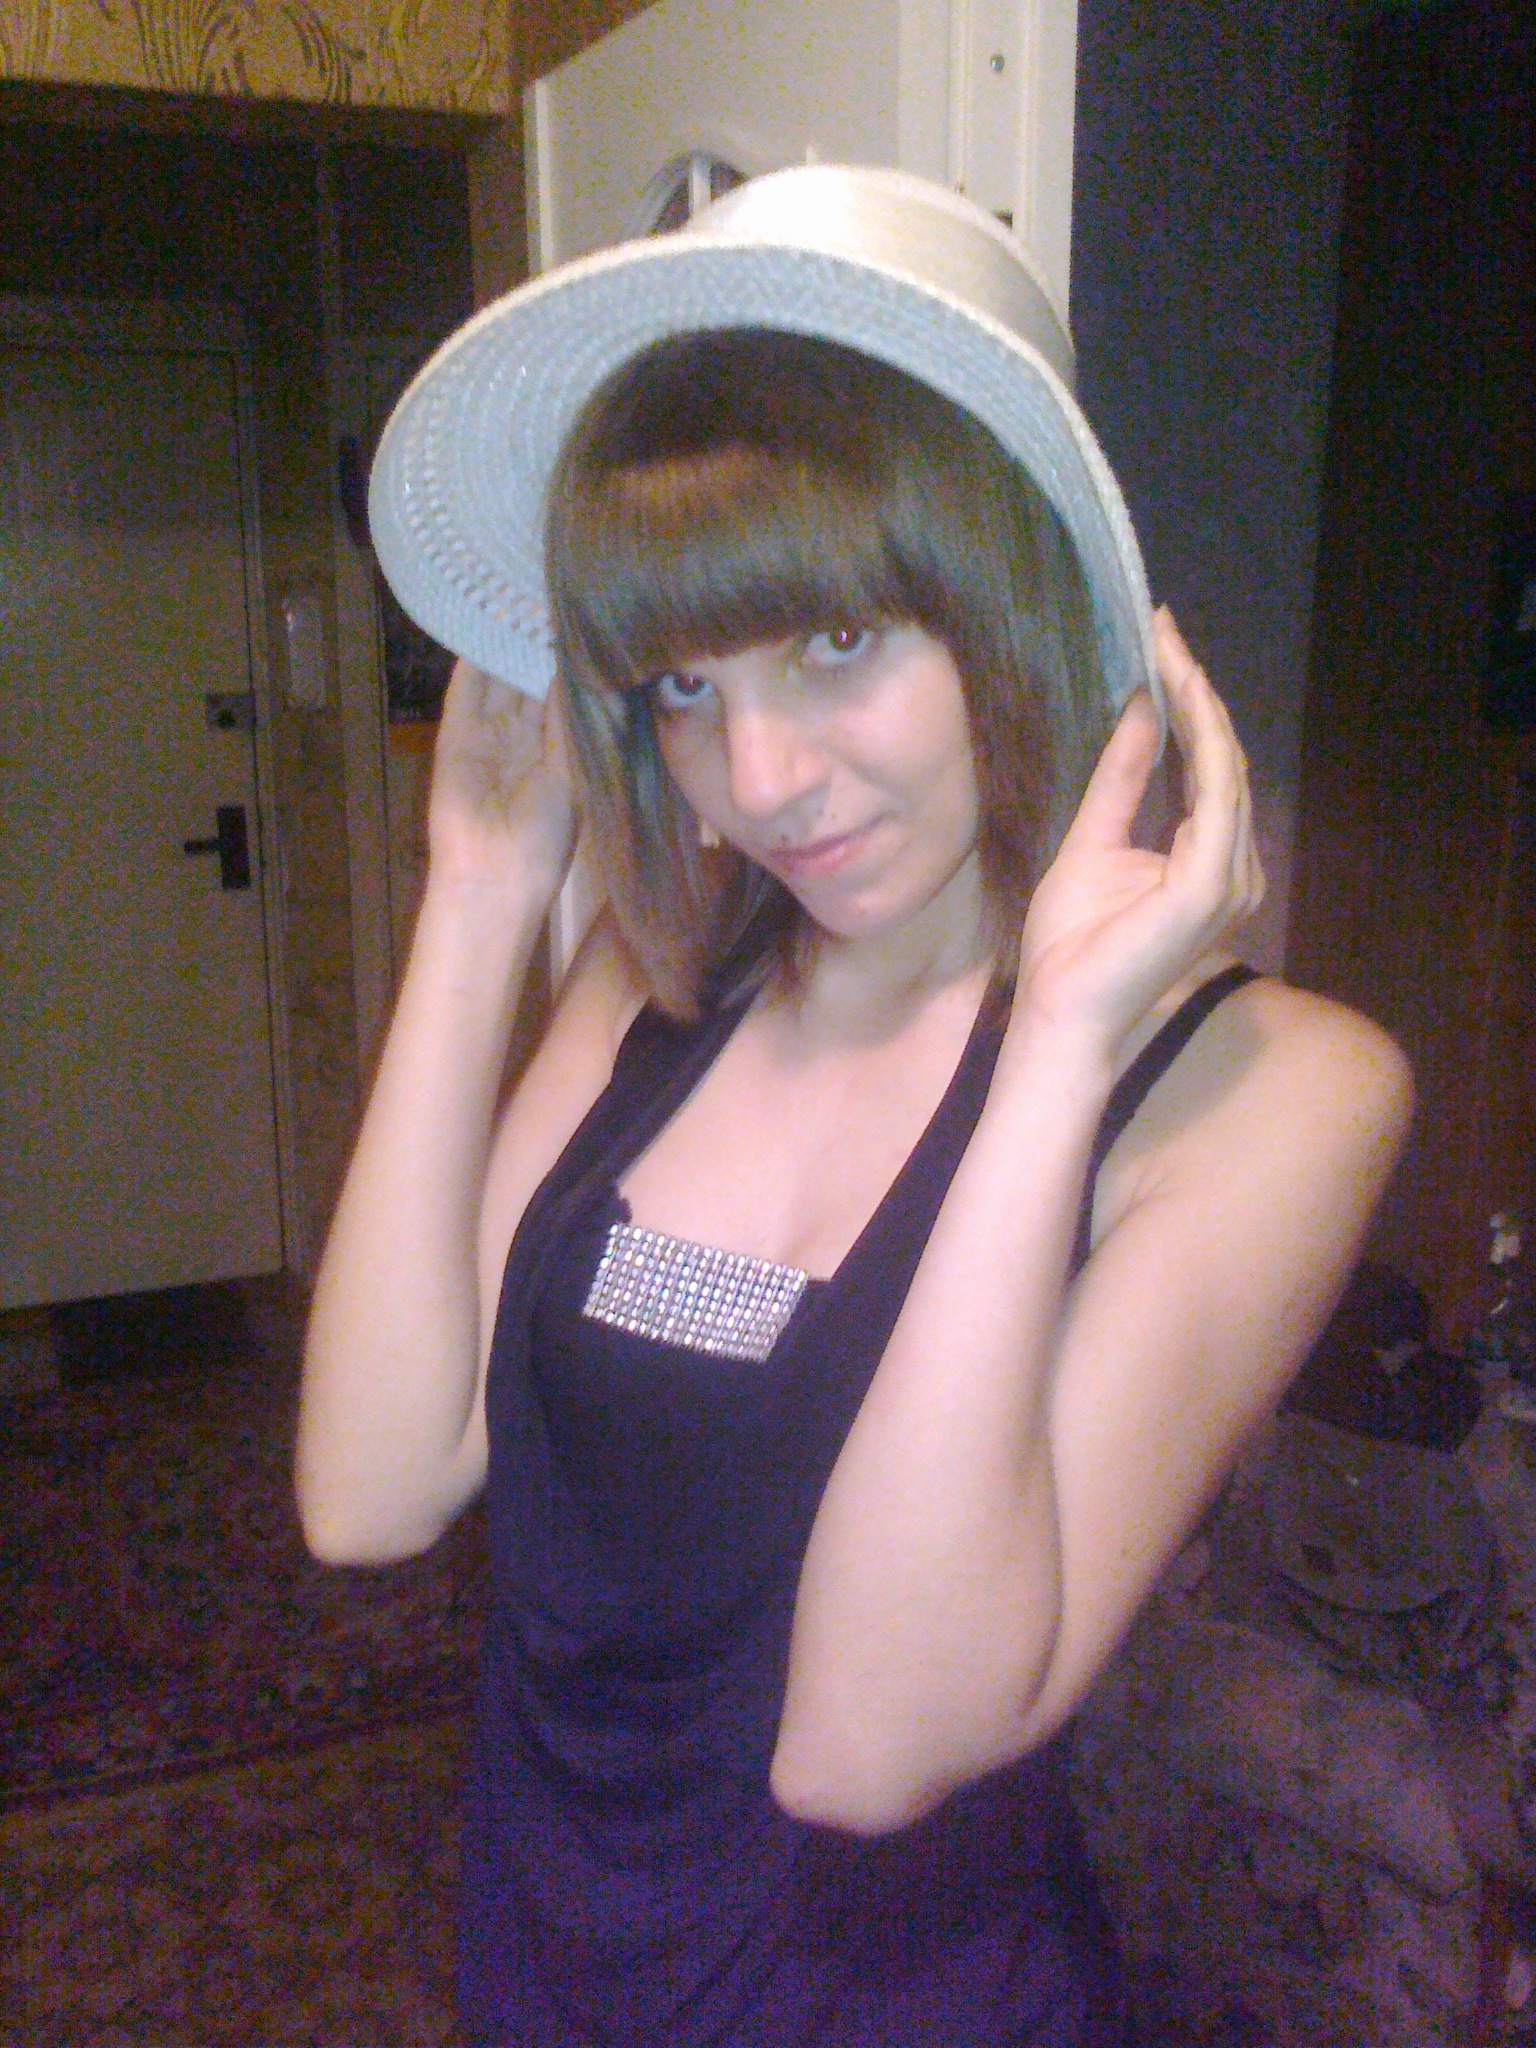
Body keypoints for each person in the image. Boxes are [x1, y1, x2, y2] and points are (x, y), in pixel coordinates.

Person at [296, 165, 1411, 2046]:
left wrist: (1052, 1054)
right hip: (545, 1968)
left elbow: (869, 1749)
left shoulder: (1272, 1092)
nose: (758, 777)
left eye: (835, 641)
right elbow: (370, 1490)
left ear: (1016, 597)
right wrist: (476, 898)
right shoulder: (656, 987)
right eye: (679, 685)